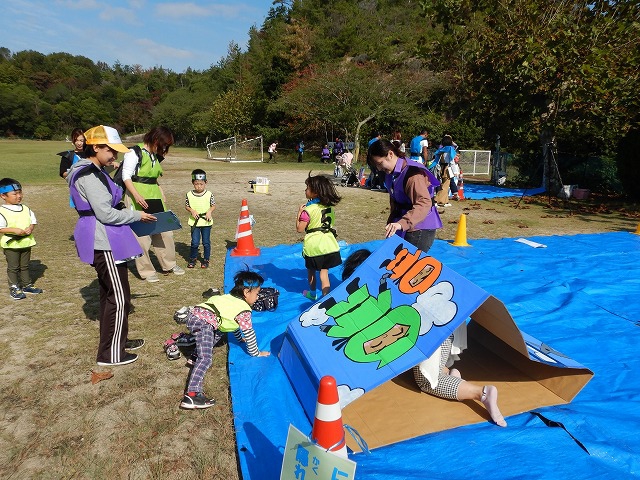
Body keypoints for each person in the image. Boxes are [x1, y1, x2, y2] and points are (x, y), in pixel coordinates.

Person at [341, 249, 507, 428]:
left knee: (426, 381)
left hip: (438, 331)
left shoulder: (381, 293)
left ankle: (481, 393)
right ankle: (448, 373)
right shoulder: (393, 277)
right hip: (447, 322)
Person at [67, 125, 156, 366]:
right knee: (117, 297)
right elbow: (105, 214)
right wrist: (137, 216)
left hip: (110, 238)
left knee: (117, 294)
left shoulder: (98, 170)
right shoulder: (88, 174)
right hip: (102, 239)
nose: (114, 156)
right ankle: (110, 354)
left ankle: (119, 340)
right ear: (95, 147)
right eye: (111, 150)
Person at [180, 269, 270, 409]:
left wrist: (240, 340)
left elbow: (231, 325)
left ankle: (194, 356)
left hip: (197, 316)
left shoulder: (228, 298)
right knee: (206, 358)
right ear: (246, 292)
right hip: (203, 323)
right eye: (257, 293)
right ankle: (192, 395)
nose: (258, 297)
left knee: (219, 332)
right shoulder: (243, 309)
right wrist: (256, 353)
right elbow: (249, 332)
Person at [121, 126, 185, 283]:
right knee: (142, 235)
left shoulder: (155, 155)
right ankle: (147, 271)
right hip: (137, 196)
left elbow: (153, 177)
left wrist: (160, 190)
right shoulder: (133, 153)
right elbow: (126, 176)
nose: (164, 148)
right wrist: (136, 195)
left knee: (165, 232)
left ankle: (169, 264)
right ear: (155, 139)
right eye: (163, 144)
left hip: (154, 196)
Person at [367, 139, 442, 253]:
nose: (379, 169)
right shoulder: (390, 173)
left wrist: (402, 223)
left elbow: (424, 202)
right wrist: (394, 221)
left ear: (390, 154)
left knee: (409, 266)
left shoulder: (413, 174)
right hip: (401, 223)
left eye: (380, 163)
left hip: (419, 226)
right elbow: (394, 198)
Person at [296, 173, 342, 300]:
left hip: (314, 246)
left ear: (315, 192)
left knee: (311, 271)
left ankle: (312, 293)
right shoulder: (330, 207)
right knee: (324, 273)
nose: (305, 190)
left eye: (307, 188)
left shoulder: (308, 210)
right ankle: (326, 298)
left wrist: (299, 213)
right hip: (329, 244)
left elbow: (300, 229)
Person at [0, 178, 43, 300]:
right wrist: (14, 230)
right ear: (3, 196)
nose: (18, 196)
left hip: (26, 242)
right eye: (14, 194)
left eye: (20, 192)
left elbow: (32, 221)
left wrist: (30, 228)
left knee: (25, 265)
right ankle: (14, 287)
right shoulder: (2, 211)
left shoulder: (25, 208)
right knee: (13, 267)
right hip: (12, 244)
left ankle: (27, 285)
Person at [185, 169, 215, 269]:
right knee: (194, 242)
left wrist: (209, 211)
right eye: (196, 184)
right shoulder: (189, 194)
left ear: (205, 182)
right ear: (193, 183)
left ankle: (206, 259)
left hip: (206, 222)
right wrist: (192, 211)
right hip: (195, 222)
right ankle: (193, 258)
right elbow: (187, 206)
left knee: (206, 242)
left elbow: (213, 205)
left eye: (201, 184)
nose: (199, 186)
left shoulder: (209, 194)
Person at [434, 134, 460, 204]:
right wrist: (455, 172)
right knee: (445, 185)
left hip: (440, 168)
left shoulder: (441, 149)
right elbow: (452, 162)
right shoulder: (450, 150)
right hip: (447, 169)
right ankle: (439, 200)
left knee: (442, 184)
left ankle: (444, 200)